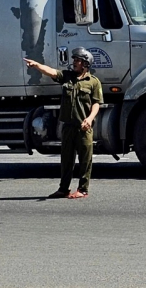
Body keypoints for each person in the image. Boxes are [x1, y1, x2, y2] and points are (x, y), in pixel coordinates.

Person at [24, 47, 103, 199]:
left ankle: (83, 189)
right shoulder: (67, 77)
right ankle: (63, 189)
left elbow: (96, 103)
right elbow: (51, 72)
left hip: (83, 128)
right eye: (74, 60)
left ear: (85, 63)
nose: (74, 62)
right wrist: (36, 65)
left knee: (85, 159)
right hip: (67, 126)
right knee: (66, 159)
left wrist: (90, 118)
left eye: (77, 60)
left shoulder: (93, 82)